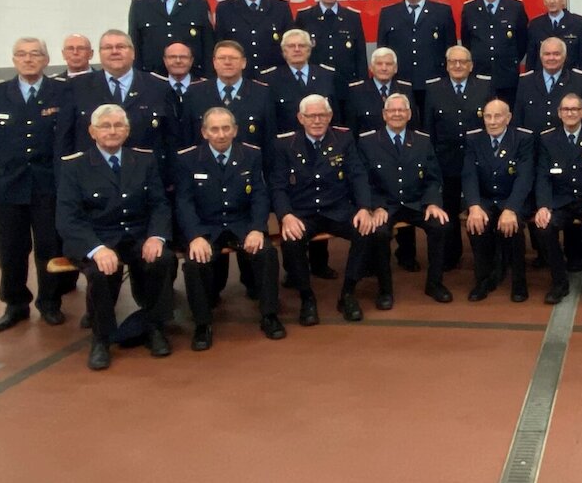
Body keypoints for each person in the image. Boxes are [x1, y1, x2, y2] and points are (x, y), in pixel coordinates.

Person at [56, 104, 174, 371]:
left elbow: (159, 204)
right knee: (100, 272)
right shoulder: (75, 167)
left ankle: (153, 327)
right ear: (92, 131)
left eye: (118, 125)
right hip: (96, 238)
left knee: (163, 259)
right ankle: (101, 338)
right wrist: (96, 249)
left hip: (136, 235)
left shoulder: (143, 160)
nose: (112, 131)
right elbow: (68, 218)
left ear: (128, 130)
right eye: (105, 126)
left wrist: (156, 236)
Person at [0, 37, 68, 331]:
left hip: (48, 185)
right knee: (10, 249)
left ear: (46, 60)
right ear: (14, 60)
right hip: (7, 186)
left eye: (35, 54)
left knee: (49, 246)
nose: (28, 59)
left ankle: (50, 302)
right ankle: (15, 304)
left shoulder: (61, 92)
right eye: (22, 55)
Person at [174, 107, 286, 350]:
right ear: (204, 132)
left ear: (235, 130)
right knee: (194, 263)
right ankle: (203, 324)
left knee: (266, 253)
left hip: (241, 224)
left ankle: (269, 315)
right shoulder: (187, 159)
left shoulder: (251, 155)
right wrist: (194, 236)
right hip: (206, 226)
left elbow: (259, 195)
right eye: (214, 129)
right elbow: (184, 202)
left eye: (226, 128)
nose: (221, 134)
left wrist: (257, 228)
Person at [270, 95, 378, 324]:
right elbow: (278, 186)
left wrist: (364, 208)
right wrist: (286, 216)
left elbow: (358, 175)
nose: (317, 120)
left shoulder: (343, 138)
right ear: (301, 118)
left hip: (337, 209)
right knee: (290, 240)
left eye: (322, 115)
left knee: (368, 231)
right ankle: (307, 297)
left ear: (330, 116)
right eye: (311, 116)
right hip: (303, 213)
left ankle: (348, 292)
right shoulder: (284, 144)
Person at [357, 94, 454, 307]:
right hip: (387, 205)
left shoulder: (422, 140)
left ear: (409, 114)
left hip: (416, 202)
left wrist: (432, 202)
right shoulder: (368, 142)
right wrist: (377, 206)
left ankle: (435, 283)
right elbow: (364, 181)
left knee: (440, 226)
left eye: (402, 110)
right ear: (384, 114)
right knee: (379, 232)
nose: (397, 114)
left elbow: (433, 177)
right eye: (392, 110)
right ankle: (385, 290)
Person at [57, 29, 175, 181]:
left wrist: (171, 180)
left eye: (121, 47)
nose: (114, 52)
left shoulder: (159, 87)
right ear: (99, 54)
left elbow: (171, 140)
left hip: (145, 180)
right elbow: (64, 140)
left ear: (133, 53)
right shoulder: (77, 87)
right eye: (108, 48)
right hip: (90, 180)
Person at [422, 45, 493, 269]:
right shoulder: (434, 89)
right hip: (446, 160)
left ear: (471, 65)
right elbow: (429, 129)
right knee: (450, 209)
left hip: (479, 161)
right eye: (453, 62)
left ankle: (487, 256)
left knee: (481, 206)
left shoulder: (484, 86)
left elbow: (493, 123)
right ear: (447, 64)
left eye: (463, 62)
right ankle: (451, 256)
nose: (458, 65)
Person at [534, 93, 582, 305]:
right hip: (560, 201)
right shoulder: (547, 139)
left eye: (575, 109)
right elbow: (543, 177)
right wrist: (544, 206)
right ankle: (559, 282)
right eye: (566, 109)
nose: (570, 113)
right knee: (544, 227)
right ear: (559, 113)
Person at [463, 100, 535, 302]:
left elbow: (525, 177)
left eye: (498, 116)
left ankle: (519, 282)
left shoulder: (522, 139)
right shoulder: (474, 139)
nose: (492, 122)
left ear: (508, 118)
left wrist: (511, 208)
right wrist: (474, 206)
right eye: (488, 116)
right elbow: (469, 175)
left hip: (512, 197)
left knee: (513, 228)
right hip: (485, 199)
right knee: (476, 226)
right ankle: (483, 280)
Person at [376, 0, 456, 116]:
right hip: (400, 83)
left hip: (433, 83)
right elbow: (383, 51)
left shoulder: (442, 12)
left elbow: (450, 50)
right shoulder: (388, 13)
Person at [181, 41, 277, 161]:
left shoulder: (261, 93)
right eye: (222, 58)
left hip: (248, 169)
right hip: (204, 169)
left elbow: (269, 141)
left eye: (233, 58)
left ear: (244, 63)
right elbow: (187, 138)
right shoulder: (195, 92)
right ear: (214, 63)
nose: (227, 62)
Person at [128, 0, 213, 77]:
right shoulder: (140, 5)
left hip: (193, 78)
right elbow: (134, 45)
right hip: (152, 78)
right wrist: (137, 79)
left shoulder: (198, 4)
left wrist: (208, 78)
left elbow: (208, 44)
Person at [460, 0, 528, 107]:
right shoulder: (470, 8)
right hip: (479, 76)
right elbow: (467, 42)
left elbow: (522, 42)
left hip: (507, 76)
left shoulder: (515, 7)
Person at [213, 0, 294, 78]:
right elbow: (220, 44)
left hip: (275, 77)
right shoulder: (225, 9)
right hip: (240, 77)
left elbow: (289, 44)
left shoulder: (280, 7)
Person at [294, 0, 367, 85]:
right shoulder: (305, 17)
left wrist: (362, 84)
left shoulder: (352, 17)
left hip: (346, 82)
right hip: (315, 82)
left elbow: (360, 55)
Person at [514, 37, 582, 135]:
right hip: (532, 145)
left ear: (565, 56)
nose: (551, 58)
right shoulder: (526, 81)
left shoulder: (579, 81)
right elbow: (518, 121)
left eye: (556, 54)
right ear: (541, 56)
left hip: (564, 146)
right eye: (547, 54)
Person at [262, 29, 338, 133]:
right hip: (286, 144)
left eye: (302, 46)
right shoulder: (269, 79)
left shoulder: (327, 76)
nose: (297, 49)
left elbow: (337, 116)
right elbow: (269, 121)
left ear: (309, 50)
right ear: (284, 51)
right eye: (291, 46)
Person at [344, 47, 418, 137]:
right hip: (368, 148)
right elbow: (351, 130)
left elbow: (413, 126)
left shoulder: (406, 90)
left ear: (396, 68)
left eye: (389, 64)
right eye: (379, 64)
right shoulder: (356, 91)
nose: (384, 68)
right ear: (371, 67)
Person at [526, 0, 582, 73]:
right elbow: (531, 62)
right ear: (544, 0)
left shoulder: (578, 23)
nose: (552, 1)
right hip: (542, 83)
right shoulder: (535, 25)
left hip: (571, 82)